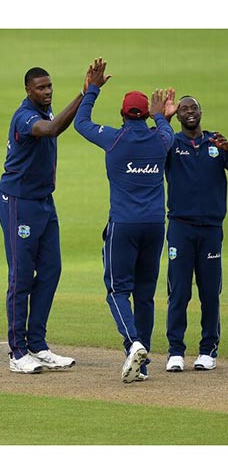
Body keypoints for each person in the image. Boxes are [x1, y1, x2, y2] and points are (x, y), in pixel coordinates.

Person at [74, 58, 174, 383]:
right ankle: (141, 366)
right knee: (145, 294)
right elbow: (166, 129)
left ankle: (133, 344)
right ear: (145, 114)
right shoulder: (162, 139)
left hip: (124, 226)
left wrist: (92, 90)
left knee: (117, 290)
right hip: (155, 226)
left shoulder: (113, 138)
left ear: (121, 114)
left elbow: (81, 123)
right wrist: (160, 116)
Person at [0, 65, 88, 373]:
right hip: (18, 203)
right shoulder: (26, 117)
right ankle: (17, 351)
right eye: (40, 88)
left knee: (51, 269)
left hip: (44, 202)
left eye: (49, 86)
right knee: (22, 275)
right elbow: (51, 131)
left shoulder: (47, 113)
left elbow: (54, 126)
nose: (47, 91)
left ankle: (37, 343)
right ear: (28, 91)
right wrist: (85, 94)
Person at [162, 95, 228, 372]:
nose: (189, 113)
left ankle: (208, 350)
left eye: (193, 108)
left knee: (210, 292)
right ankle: (175, 351)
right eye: (184, 109)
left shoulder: (215, 143)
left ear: (201, 112)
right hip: (180, 227)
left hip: (211, 229)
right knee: (179, 291)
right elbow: (150, 148)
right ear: (177, 116)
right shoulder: (171, 143)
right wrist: (162, 118)